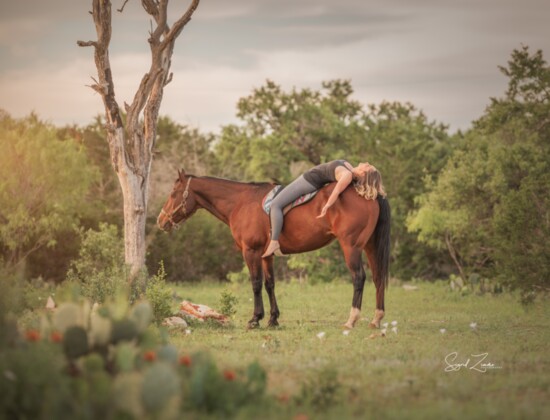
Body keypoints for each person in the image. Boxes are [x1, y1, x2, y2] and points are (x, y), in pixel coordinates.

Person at [262, 159, 386, 258]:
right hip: (310, 179)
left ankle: (274, 242)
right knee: (283, 204)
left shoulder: (347, 175)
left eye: (368, 166)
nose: (367, 163)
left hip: (308, 181)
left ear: (364, 173)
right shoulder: (350, 169)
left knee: (275, 205)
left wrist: (327, 206)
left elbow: (336, 191)